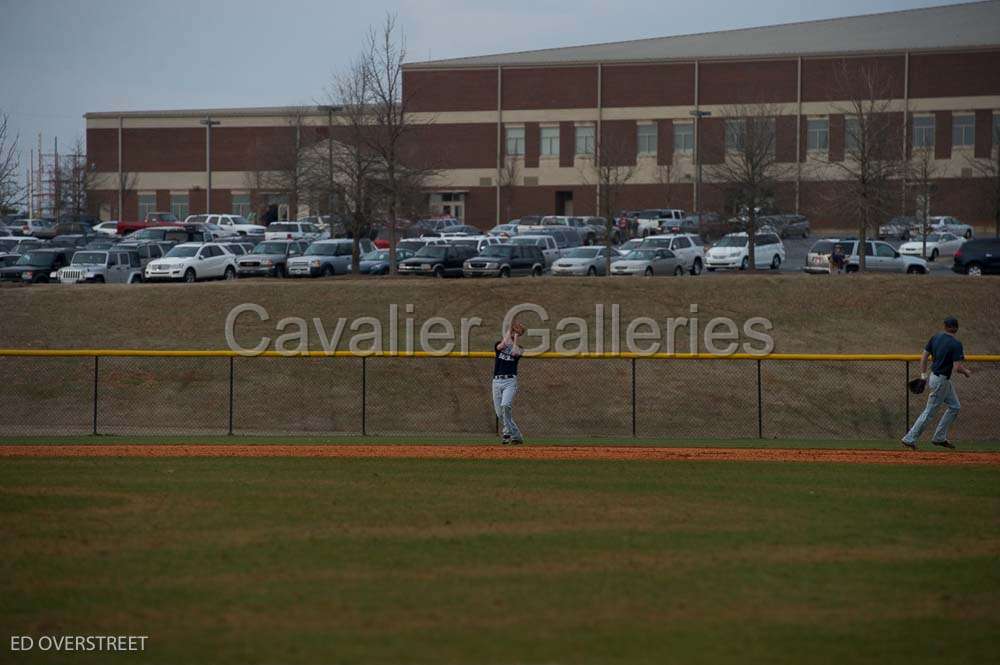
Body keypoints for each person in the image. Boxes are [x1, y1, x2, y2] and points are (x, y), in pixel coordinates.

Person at [902, 317, 971, 450]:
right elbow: (957, 368)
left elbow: (923, 357)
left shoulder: (936, 338)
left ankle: (939, 437)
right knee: (929, 411)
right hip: (941, 381)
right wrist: (967, 372)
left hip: (938, 378)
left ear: (945, 326)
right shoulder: (956, 344)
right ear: (956, 328)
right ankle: (909, 438)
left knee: (955, 406)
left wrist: (923, 376)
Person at [493, 321, 525, 445]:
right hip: (496, 381)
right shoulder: (498, 345)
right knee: (500, 413)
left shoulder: (520, 349)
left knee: (506, 405)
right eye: (511, 334)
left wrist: (515, 338)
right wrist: (509, 331)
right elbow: (502, 346)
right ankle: (517, 436)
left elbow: (514, 353)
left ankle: (506, 433)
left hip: (510, 382)